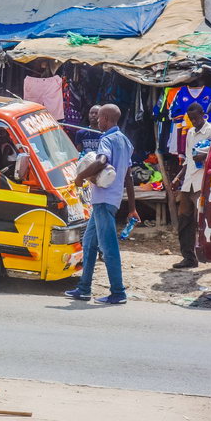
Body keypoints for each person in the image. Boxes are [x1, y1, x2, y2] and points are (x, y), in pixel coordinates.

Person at [66, 104, 138, 305]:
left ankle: (118, 292)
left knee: (108, 247)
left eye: (99, 118)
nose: (97, 121)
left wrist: (81, 175)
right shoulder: (126, 142)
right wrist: (132, 207)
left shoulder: (107, 139)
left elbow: (102, 160)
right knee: (89, 243)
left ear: (106, 118)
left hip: (104, 200)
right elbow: (129, 178)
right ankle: (84, 288)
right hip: (110, 200)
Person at [171, 102, 211, 269]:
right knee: (184, 221)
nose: (194, 121)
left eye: (196, 118)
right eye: (191, 119)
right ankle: (189, 258)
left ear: (203, 114)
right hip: (188, 182)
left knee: (202, 222)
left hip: (202, 183)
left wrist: (204, 157)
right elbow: (189, 159)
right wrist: (178, 177)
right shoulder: (190, 132)